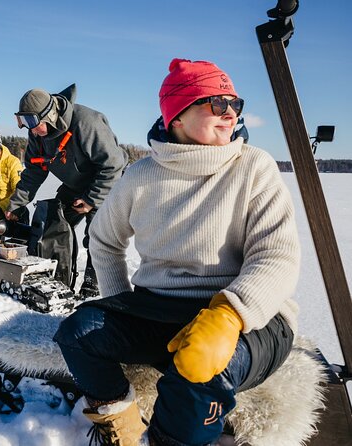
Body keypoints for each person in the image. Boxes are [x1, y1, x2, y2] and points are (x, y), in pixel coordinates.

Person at [53, 59, 300, 446]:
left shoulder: (254, 167)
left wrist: (230, 314)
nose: (230, 112)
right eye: (218, 103)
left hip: (249, 319)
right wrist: (120, 302)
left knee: (204, 370)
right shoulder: (141, 176)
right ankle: (123, 425)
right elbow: (104, 240)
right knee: (78, 333)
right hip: (159, 308)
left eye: (235, 103)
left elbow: (277, 255)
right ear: (178, 114)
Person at [6, 84, 127, 297]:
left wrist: (91, 199)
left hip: (107, 183)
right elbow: (34, 171)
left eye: (32, 122)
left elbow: (113, 165)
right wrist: (16, 204)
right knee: (53, 225)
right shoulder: (38, 135)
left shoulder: (86, 123)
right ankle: (57, 278)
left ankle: (92, 286)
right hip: (75, 184)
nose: (30, 129)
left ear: (50, 115)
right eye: (23, 122)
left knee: (97, 235)